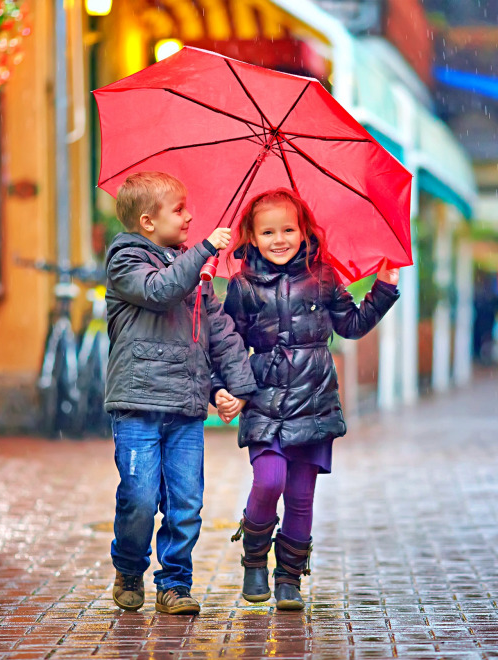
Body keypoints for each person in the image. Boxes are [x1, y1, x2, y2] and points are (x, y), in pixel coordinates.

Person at [214, 189, 400, 611]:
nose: (279, 239)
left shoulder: (324, 276)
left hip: (314, 398)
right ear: (252, 236)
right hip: (264, 397)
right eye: (267, 232)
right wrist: (223, 387)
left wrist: (383, 290)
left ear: (304, 232)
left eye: (288, 229)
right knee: (269, 480)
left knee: (301, 495)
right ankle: (256, 560)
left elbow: (350, 325)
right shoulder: (242, 286)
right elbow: (227, 343)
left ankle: (289, 579)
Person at [104, 171, 257, 615]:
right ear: (148, 222)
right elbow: (160, 290)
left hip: (186, 407)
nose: (190, 217)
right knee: (139, 495)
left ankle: (175, 583)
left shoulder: (195, 270)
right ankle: (130, 567)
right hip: (138, 404)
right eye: (180, 210)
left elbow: (221, 334)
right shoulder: (125, 259)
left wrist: (235, 388)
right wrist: (207, 250)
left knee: (186, 502)